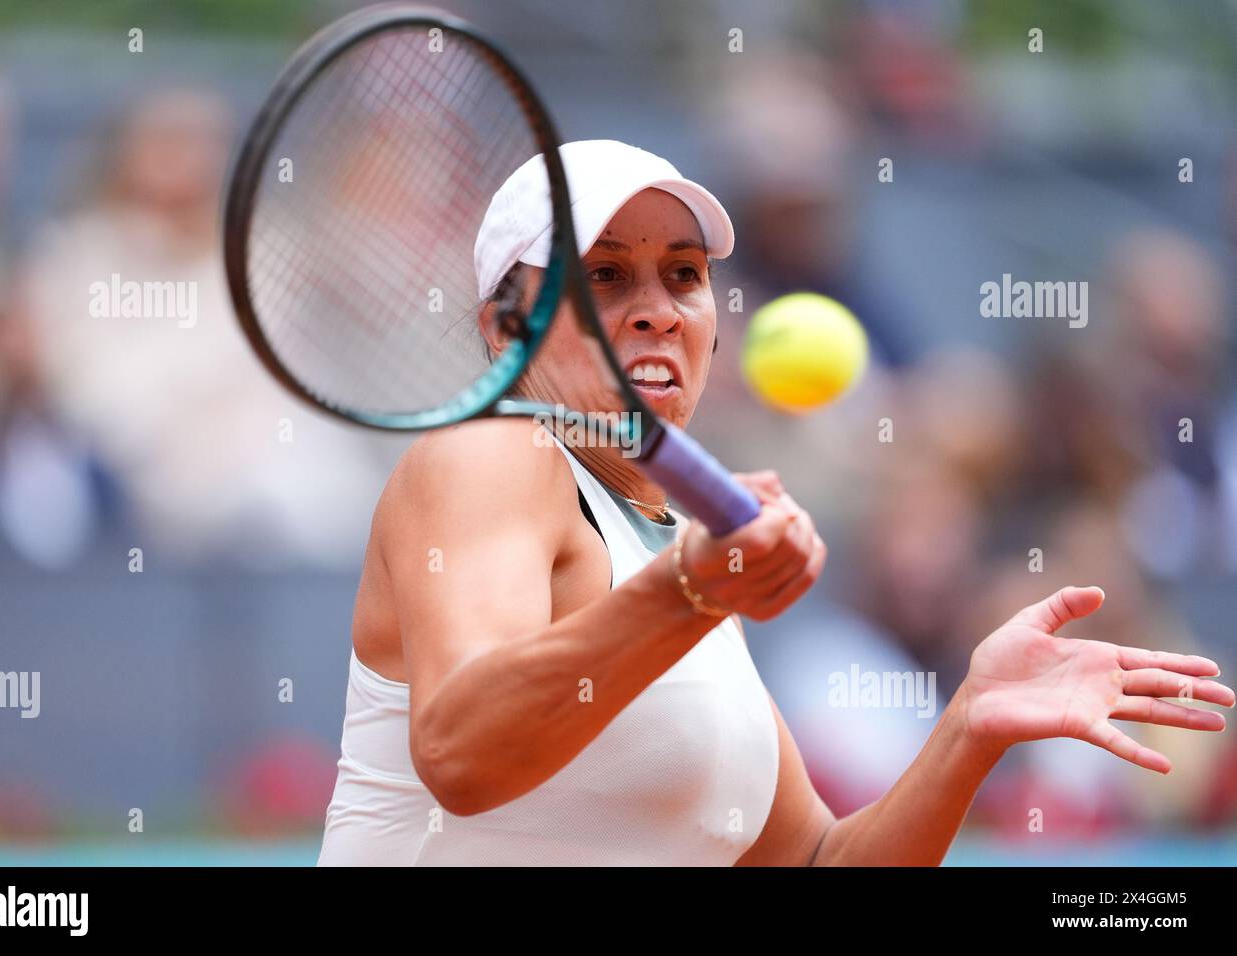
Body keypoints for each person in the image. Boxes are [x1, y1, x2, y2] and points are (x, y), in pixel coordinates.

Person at [318, 140, 1233, 866]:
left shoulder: (689, 554)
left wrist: (970, 726)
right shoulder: (490, 456)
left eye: (683, 275)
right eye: (603, 277)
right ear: (504, 328)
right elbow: (462, 755)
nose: (658, 311)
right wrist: (690, 593)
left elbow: (817, 863)